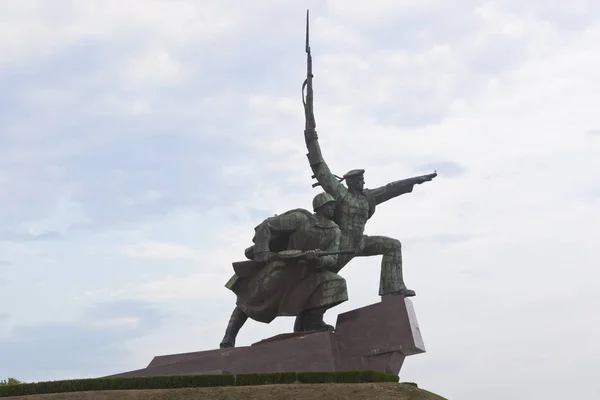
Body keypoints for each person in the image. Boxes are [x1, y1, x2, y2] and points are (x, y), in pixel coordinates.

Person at [303, 129, 436, 297]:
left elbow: (390, 188)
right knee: (318, 280)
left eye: (363, 179)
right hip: (341, 244)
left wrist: (415, 180)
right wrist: (311, 138)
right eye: (359, 180)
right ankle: (308, 315)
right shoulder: (340, 193)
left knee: (393, 245)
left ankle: (392, 289)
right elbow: (321, 167)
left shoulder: (368, 197)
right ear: (351, 182)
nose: (363, 181)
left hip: (360, 242)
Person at [219, 192, 349, 348]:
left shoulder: (334, 231)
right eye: (330, 205)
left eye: (334, 205)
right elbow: (267, 225)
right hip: (283, 267)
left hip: (308, 271)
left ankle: (314, 322)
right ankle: (230, 335)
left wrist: (318, 259)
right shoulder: (301, 219)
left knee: (336, 283)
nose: (333, 208)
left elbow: (332, 259)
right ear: (320, 207)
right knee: (250, 300)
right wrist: (263, 253)